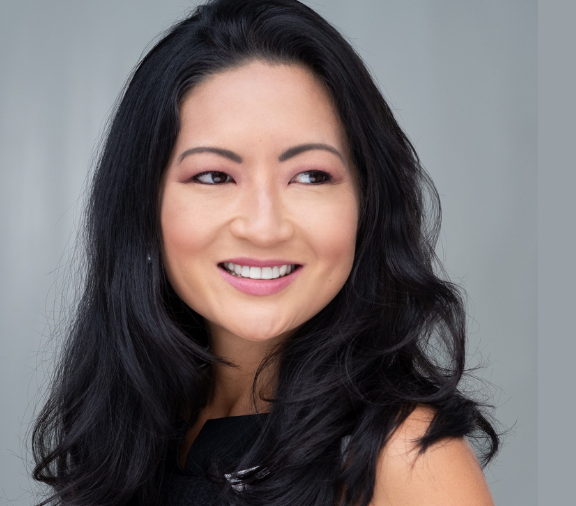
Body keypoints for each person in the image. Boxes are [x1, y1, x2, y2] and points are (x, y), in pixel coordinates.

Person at [31, 1, 500, 505]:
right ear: (143, 204)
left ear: (368, 202)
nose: (264, 227)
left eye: (310, 176)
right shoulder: (135, 434)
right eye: (214, 176)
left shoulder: (405, 458)